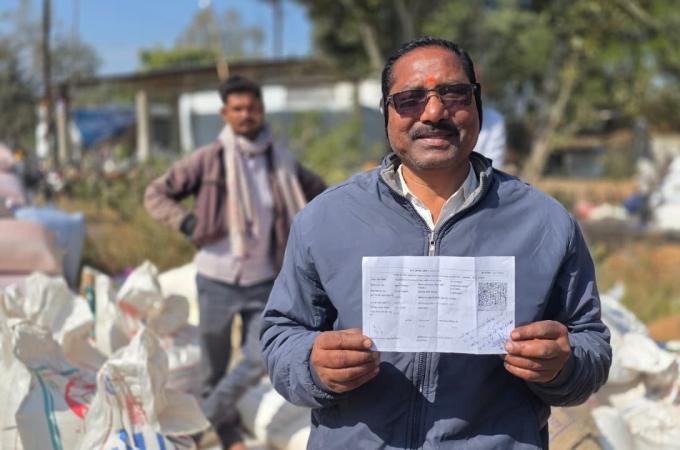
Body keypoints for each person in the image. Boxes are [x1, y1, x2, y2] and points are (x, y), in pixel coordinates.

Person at [260, 37, 610, 449]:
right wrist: (313, 365)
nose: (433, 112)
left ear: (477, 104)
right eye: (409, 99)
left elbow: (591, 344)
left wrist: (562, 365)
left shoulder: (546, 223)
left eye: (454, 94)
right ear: (386, 113)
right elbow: (282, 333)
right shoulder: (325, 219)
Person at [144, 75, 326, 450]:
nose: (246, 115)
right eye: (238, 108)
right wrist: (187, 223)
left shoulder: (281, 160)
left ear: (262, 110)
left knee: (260, 358)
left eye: (252, 108)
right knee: (213, 367)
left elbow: (324, 195)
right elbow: (156, 194)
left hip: (266, 280)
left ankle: (196, 428)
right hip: (216, 278)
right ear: (224, 114)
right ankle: (227, 434)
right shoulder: (208, 159)